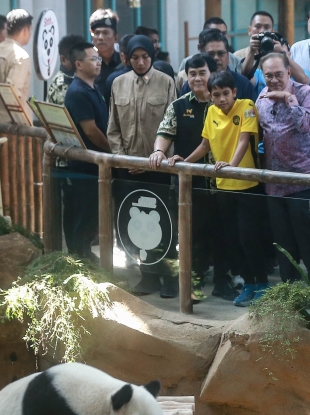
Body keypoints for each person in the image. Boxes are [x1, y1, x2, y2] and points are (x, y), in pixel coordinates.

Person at [170, 70, 270, 306]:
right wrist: (185, 163)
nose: (222, 98)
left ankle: (263, 283)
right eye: (216, 95)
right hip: (224, 186)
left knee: (250, 238)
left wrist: (230, 167)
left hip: (248, 185)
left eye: (226, 93)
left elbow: (244, 139)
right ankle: (249, 284)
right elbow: (205, 144)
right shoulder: (211, 112)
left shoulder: (246, 106)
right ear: (211, 96)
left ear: (234, 92)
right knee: (232, 240)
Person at [150, 54, 233, 300]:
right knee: (188, 235)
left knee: (223, 235)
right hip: (190, 185)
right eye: (192, 74)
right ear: (186, 76)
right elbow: (164, 131)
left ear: (211, 73)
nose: (197, 78)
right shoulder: (179, 105)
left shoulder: (224, 103)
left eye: (202, 73)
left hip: (224, 183)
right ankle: (187, 284)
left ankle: (222, 281)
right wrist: (158, 151)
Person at [106, 35, 178, 297]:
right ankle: (147, 276)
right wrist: (124, 160)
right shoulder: (118, 83)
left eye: (145, 57)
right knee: (135, 225)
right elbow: (113, 127)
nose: (140, 62)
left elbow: (172, 126)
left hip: (158, 169)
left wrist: (155, 159)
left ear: (152, 57)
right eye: (134, 57)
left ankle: (170, 279)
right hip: (128, 169)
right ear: (126, 58)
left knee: (163, 224)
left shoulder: (166, 82)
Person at [255, 52, 310, 285]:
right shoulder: (261, 97)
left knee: (307, 238)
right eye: (269, 76)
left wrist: (288, 98)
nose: (274, 80)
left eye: (279, 74)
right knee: (283, 241)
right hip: (274, 183)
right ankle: (289, 290)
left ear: (289, 72)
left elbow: (307, 125)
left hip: (302, 179)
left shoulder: (305, 93)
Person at [61, 41, 111, 262]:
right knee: (84, 213)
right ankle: (78, 259)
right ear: (79, 64)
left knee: (91, 214)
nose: (98, 62)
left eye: (98, 58)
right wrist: (113, 150)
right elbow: (90, 130)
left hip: (95, 166)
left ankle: (84, 255)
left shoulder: (92, 87)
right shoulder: (77, 92)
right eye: (93, 59)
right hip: (85, 166)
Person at [181, 29, 257, 101]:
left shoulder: (243, 84)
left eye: (221, 54)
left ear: (228, 56)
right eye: (211, 54)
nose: (216, 58)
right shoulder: (193, 84)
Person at [238, 12, 309, 87]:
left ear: (273, 31)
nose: (262, 30)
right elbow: (244, 78)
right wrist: (251, 52)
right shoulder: (239, 56)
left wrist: (282, 53)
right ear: (249, 30)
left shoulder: (291, 65)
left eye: (266, 27)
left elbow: (304, 81)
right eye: (258, 26)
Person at [90, 8, 122, 101]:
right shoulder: (87, 65)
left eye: (105, 33)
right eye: (97, 33)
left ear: (115, 37)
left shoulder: (124, 63)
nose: (100, 37)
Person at [45, 34, 85, 105]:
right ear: (63, 60)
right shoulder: (62, 85)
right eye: (76, 58)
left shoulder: (77, 78)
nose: (80, 62)